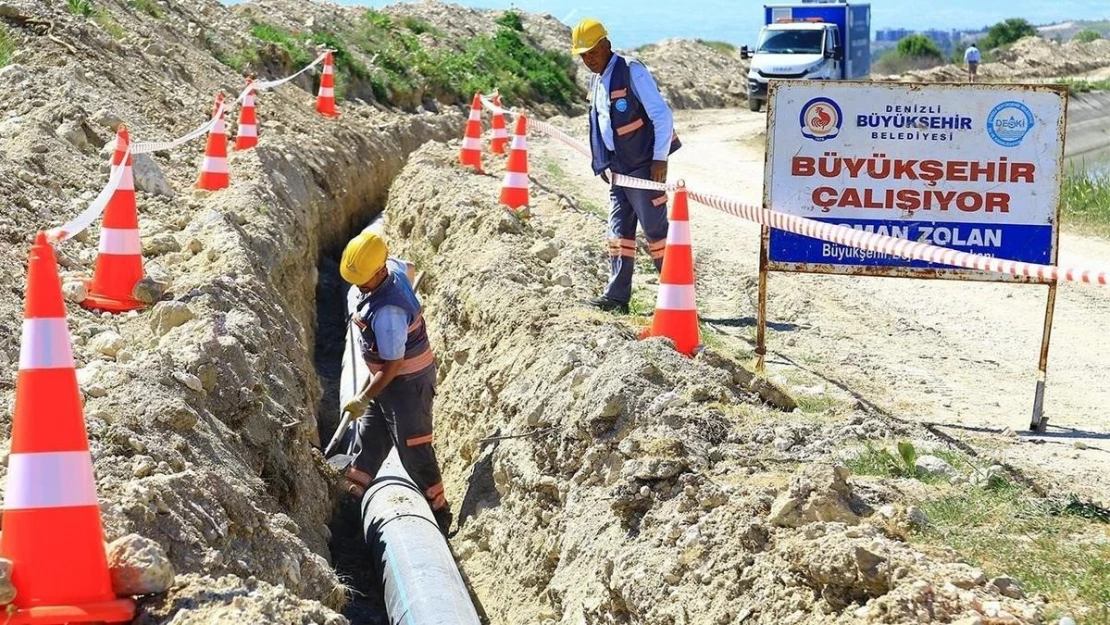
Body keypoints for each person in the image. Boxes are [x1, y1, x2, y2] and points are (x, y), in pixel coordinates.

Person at [336, 231, 453, 536]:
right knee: (369, 439)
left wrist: (363, 397)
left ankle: (439, 510)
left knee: (413, 449)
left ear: (379, 270)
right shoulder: (392, 269)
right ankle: (351, 507)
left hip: (407, 384)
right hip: (384, 381)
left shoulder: (389, 312)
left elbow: (394, 364)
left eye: (362, 279)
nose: (358, 285)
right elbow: (410, 267)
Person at [572, 17, 682, 314]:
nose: (588, 60)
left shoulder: (631, 71)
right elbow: (602, 124)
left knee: (657, 235)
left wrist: (659, 158)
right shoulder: (597, 79)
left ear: (606, 45)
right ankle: (617, 297)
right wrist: (604, 163)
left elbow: (662, 116)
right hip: (618, 171)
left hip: (644, 168)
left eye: (592, 53)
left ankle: (680, 298)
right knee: (619, 233)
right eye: (583, 55)